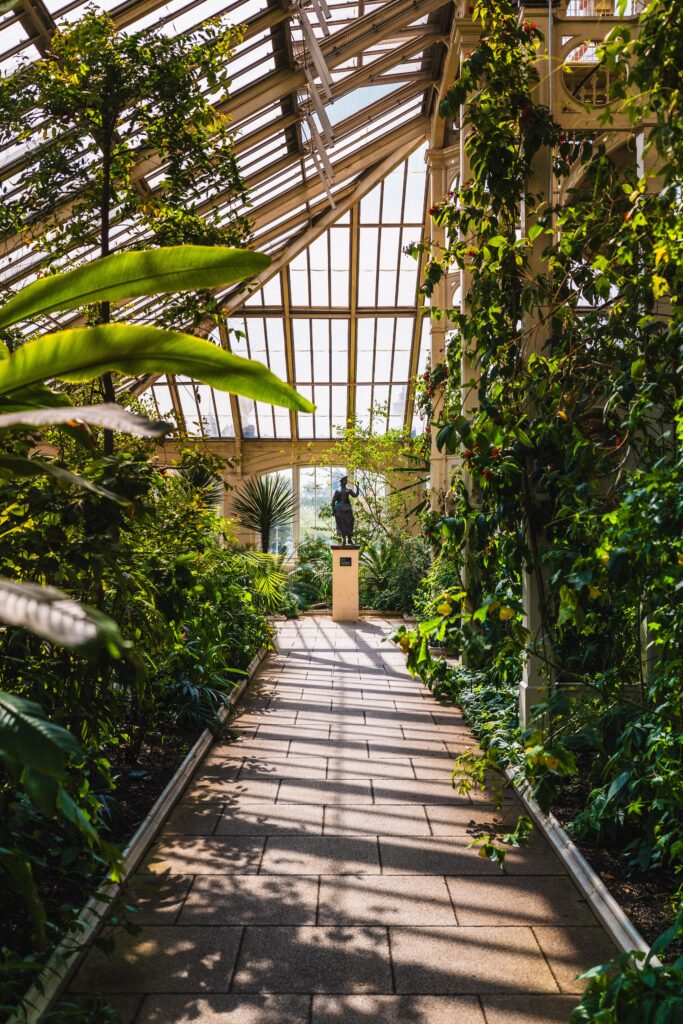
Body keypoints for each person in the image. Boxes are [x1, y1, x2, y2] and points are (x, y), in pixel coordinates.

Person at [331, 475, 358, 545]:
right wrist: (332, 510)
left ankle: (349, 539)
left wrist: (357, 488)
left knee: (350, 523)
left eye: (346, 480)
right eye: (345, 480)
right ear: (342, 482)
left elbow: (355, 495)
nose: (346, 481)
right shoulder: (338, 491)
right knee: (342, 524)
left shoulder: (348, 490)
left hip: (347, 509)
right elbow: (333, 501)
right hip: (339, 510)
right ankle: (344, 540)